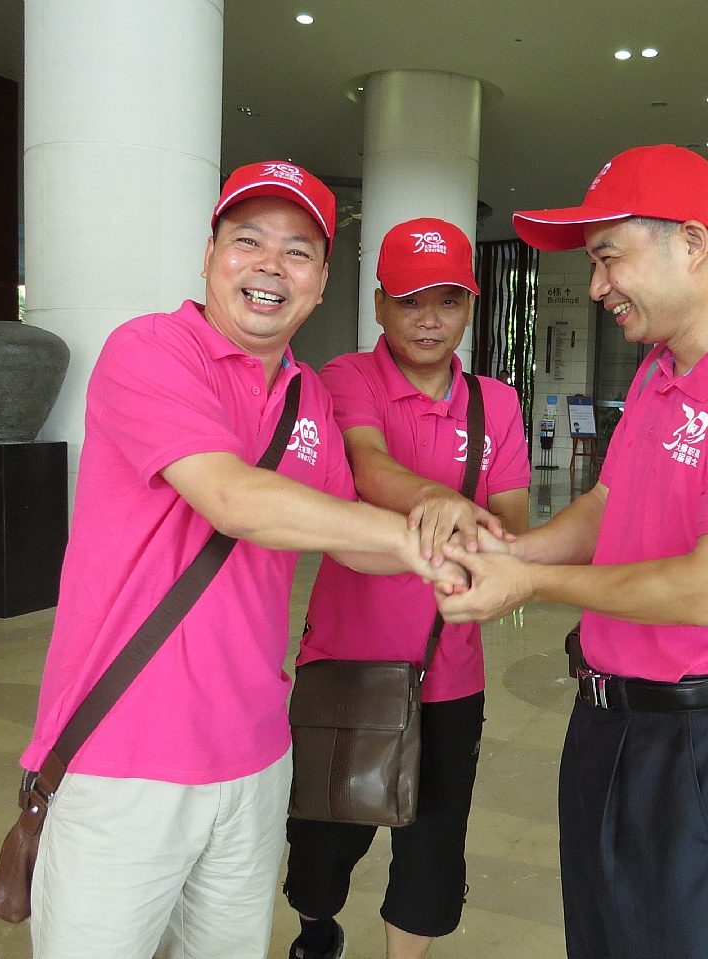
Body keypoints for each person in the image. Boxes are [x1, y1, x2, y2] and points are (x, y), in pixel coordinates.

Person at [19, 161, 467, 959]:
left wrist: (449, 556)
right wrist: (409, 537)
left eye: (297, 252)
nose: (270, 265)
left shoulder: (307, 396)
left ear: (321, 283)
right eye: (248, 240)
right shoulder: (149, 350)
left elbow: (347, 538)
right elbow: (230, 496)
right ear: (209, 255)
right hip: (125, 756)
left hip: (256, 757)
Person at [434, 144, 708, 959]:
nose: (597, 287)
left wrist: (529, 585)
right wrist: (512, 549)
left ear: (691, 243)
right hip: (607, 718)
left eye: (607, 258)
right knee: (600, 938)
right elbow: (606, 505)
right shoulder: (659, 371)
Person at [283, 218, 531, 959]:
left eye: (448, 301)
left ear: (471, 307)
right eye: (410, 301)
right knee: (323, 837)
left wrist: (495, 546)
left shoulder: (497, 403)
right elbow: (365, 464)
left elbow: (513, 520)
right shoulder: (346, 379)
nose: (429, 320)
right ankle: (316, 930)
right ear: (380, 305)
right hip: (346, 661)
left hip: (450, 671)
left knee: (434, 844)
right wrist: (446, 504)